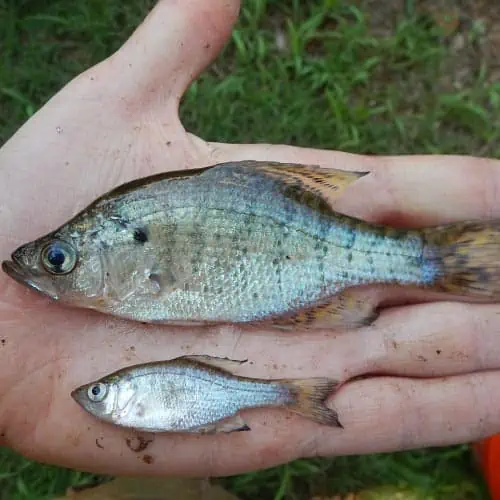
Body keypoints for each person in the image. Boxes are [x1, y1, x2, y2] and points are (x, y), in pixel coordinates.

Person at [0, 0, 499, 478]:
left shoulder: (129, 251)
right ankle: (447, 261)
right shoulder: (122, 245)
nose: (47, 268)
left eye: (58, 259)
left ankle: (440, 260)